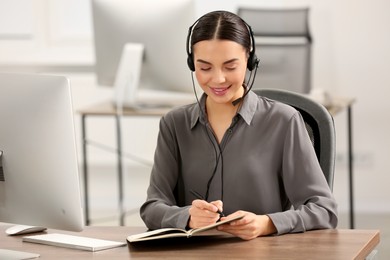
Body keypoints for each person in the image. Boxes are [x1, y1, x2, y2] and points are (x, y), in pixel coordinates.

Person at [140, 10, 338, 240]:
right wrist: (188, 217)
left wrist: (268, 223)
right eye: (205, 68)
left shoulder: (284, 121)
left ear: (249, 60)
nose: (218, 79)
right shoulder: (174, 124)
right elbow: (153, 207)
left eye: (230, 66)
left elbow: (325, 210)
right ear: (192, 64)